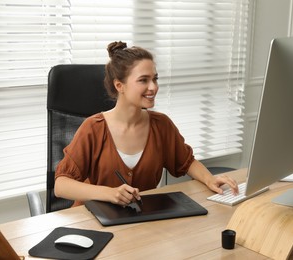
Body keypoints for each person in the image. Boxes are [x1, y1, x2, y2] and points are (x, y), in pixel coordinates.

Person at [54, 41, 238, 207]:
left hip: (140, 221)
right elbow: (61, 185)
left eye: (155, 79)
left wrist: (209, 179)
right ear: (119, 85)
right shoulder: (94, 128)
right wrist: (109, 193)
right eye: (143, 80)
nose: (153, 87)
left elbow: (186, 161)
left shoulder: (161, 125)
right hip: (90, 220)